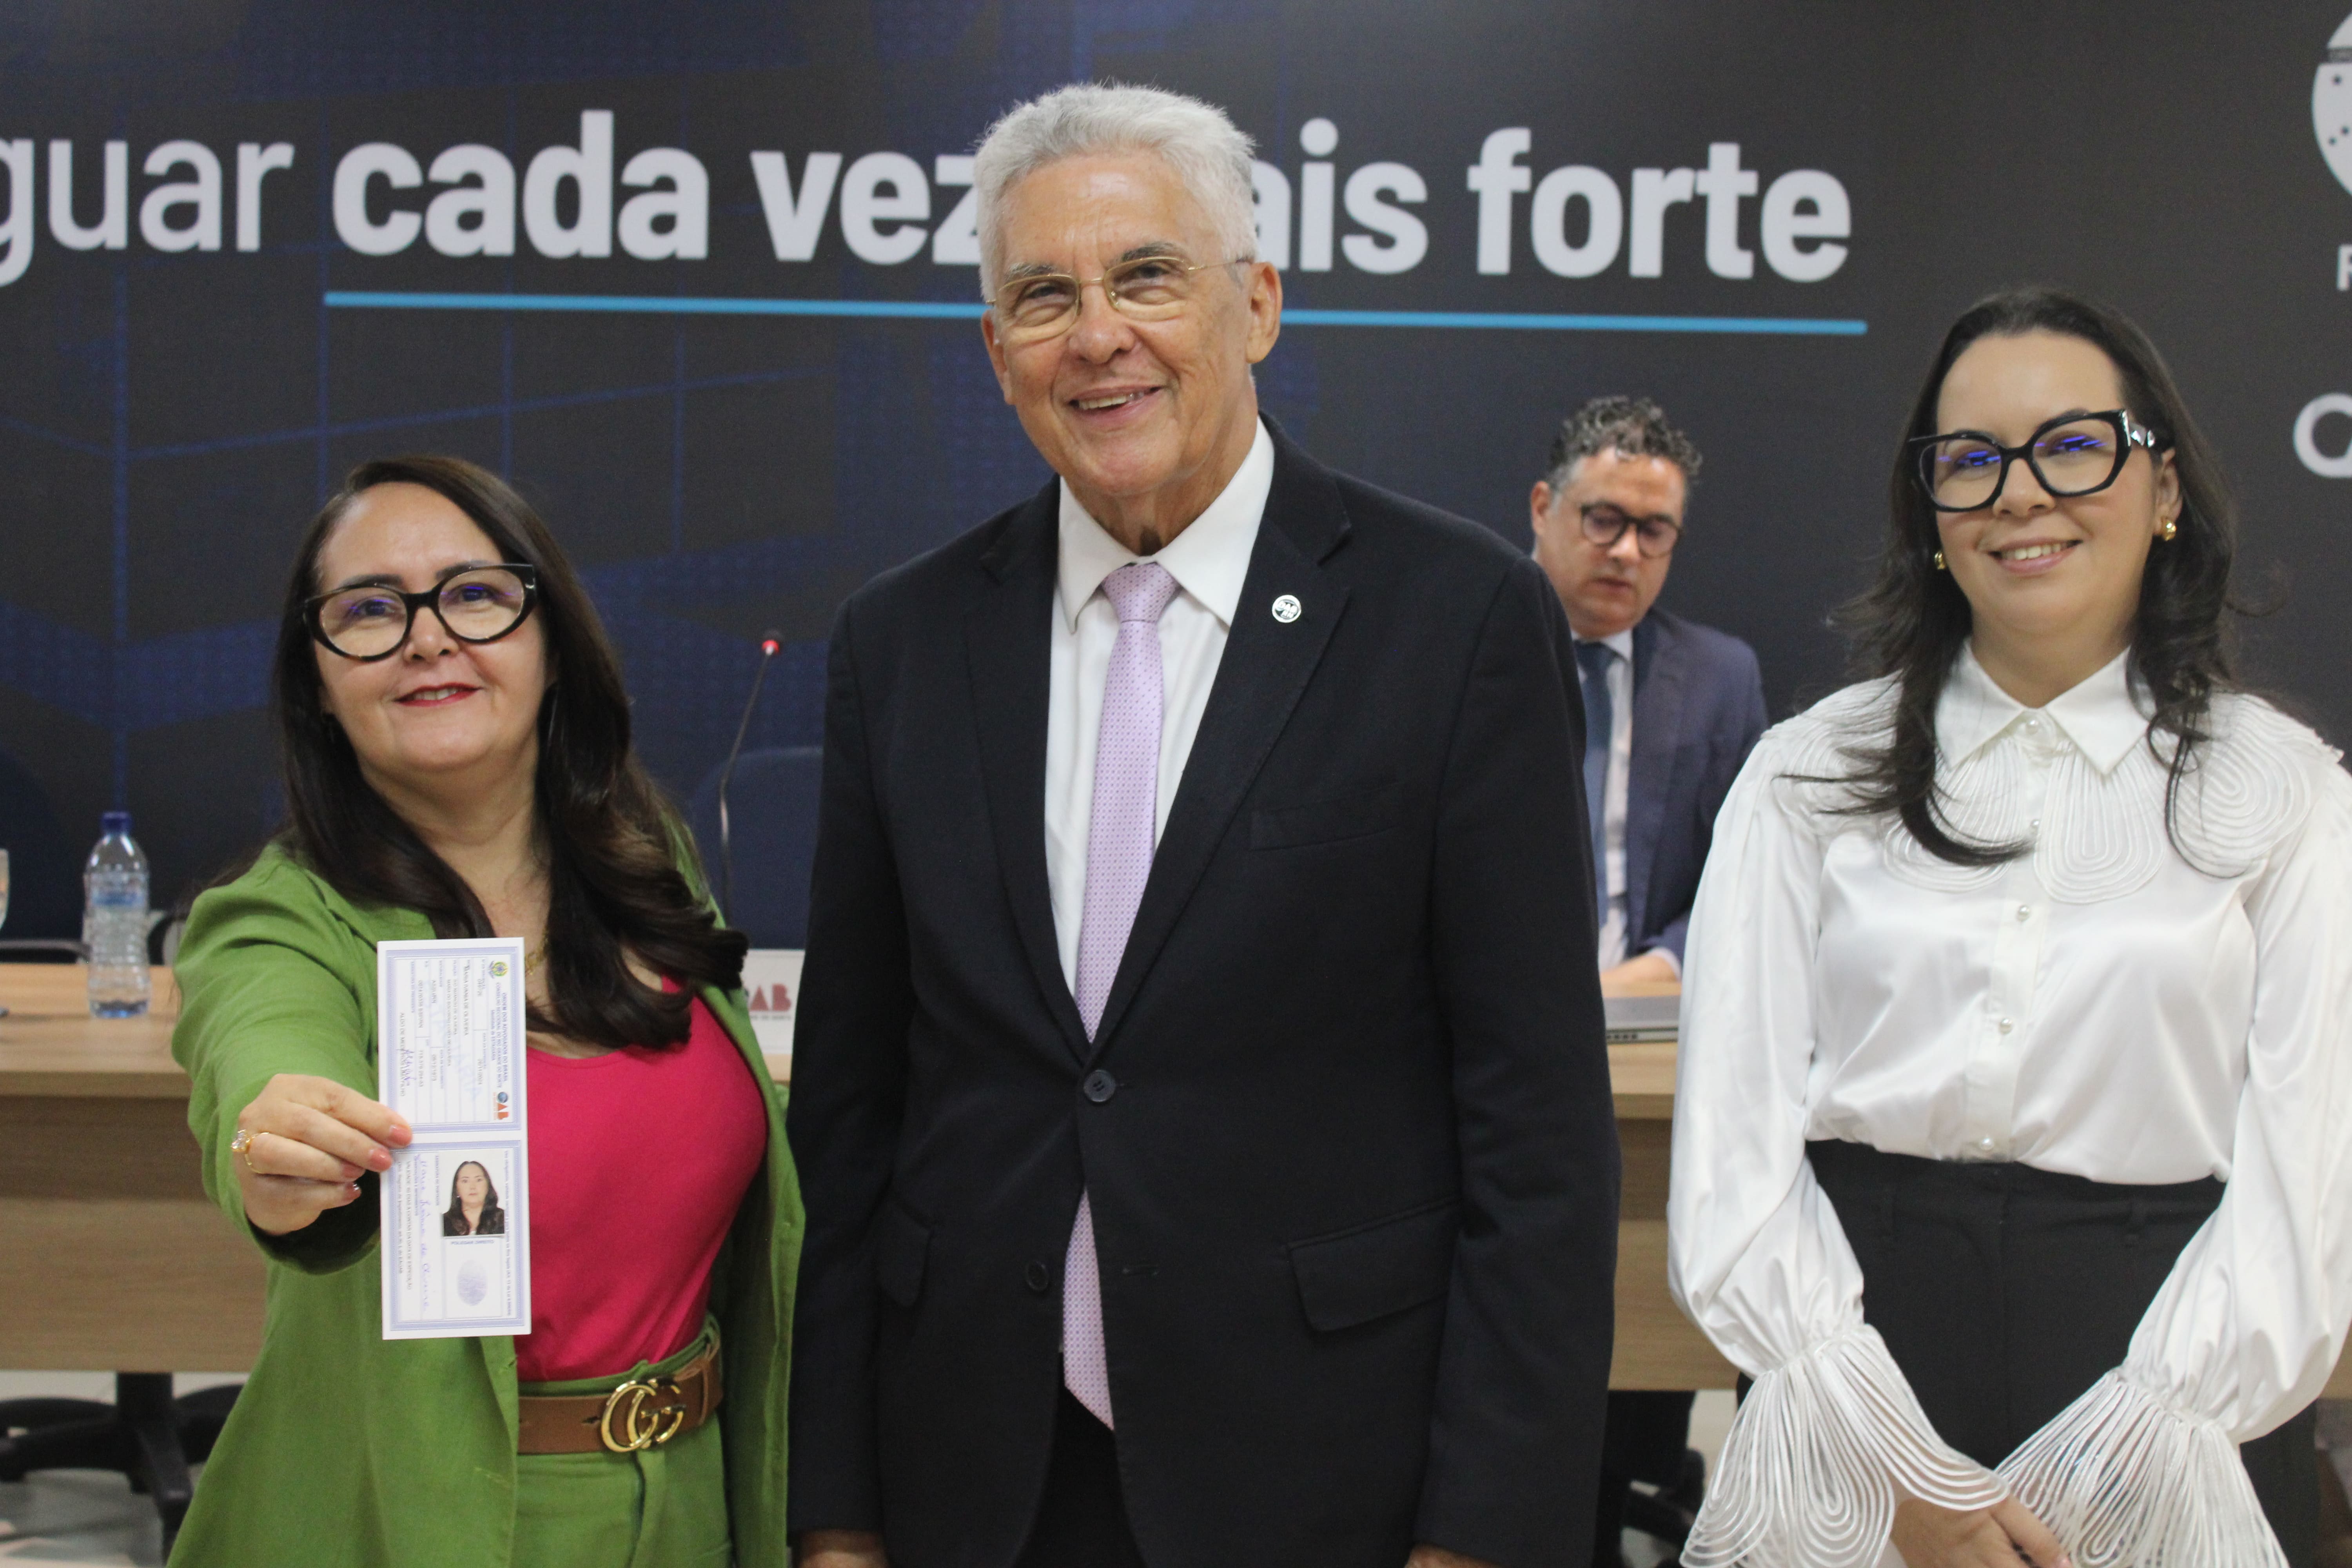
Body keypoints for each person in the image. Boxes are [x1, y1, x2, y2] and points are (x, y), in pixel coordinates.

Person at [787, 83, 1618, 1568]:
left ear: (1258, 304)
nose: (1096, 334)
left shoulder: (1456, 618)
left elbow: (1538, 1134)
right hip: (975, 1476)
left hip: (1324, 1475)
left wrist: (1482, 1535)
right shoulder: (898, 642)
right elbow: (850, 1117)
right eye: (1044, 296)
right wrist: (837, 1513)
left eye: (1147, 276)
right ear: (996, 351)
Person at [1668, 286, 2352, 1568]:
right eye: (1970, 460)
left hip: (2173, 1398)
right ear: (1930, 513)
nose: (2020, 494)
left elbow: (2306, 1187)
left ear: (2163, 488)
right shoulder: (1806, 775)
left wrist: (2113, 1471)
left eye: (2074, 445)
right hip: (1856, 1385)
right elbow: (1732, 1159)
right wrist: (1897, 1480)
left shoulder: (2286, 794)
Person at [169, 456, 802, 1568]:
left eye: (474, 594)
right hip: (424, 1521)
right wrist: (281, 1144)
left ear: (552, 644)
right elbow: (262, 1048)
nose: (427, 638)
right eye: (369, 610)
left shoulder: (648, 865)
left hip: (695, 1507)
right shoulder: (280, 918)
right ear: (317, 682)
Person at [1527, 397, 1765, 1565]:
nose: (1624, 550)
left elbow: (1739, 885)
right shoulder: (1462, 646)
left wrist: (1646, 968)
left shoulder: (1718, 678)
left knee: (1641, 1322)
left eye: (1653, 531)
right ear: (1544, 510)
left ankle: (1627, 1488)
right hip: (1497, 1043)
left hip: (1646, 1043)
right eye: (1602, 519)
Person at [443, 1159, 505, 1236]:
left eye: (479, 1180)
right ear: (457, 1189)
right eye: (465, 1181)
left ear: (488, 1186)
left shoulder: (505, 1220)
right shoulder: (443, 1224)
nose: (473, 1187)